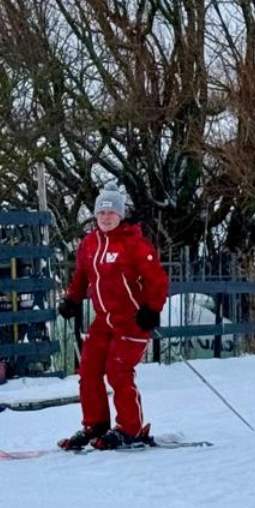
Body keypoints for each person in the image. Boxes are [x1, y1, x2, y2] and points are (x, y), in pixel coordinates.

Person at [57, 186, 170, 450]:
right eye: (101, 212)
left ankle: (131, 429)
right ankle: (95, 424)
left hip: (132, 320)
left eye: (111, 212)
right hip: (104, 321)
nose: (106, 217)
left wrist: (152, 309)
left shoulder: (134, 242)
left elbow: (157, 279)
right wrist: (72, 299)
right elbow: (82, 276)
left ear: (120, 215)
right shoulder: (89, 244)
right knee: (88, 369)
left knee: (118, 370)